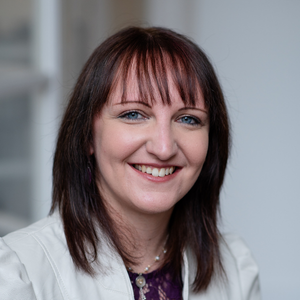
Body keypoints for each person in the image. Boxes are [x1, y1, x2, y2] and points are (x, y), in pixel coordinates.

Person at [0, 27, 260, 300]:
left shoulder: (236, 270)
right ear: (87, 135)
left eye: (188, 119)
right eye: (134, 114)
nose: (163, 148)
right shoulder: (20, 272)